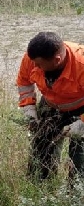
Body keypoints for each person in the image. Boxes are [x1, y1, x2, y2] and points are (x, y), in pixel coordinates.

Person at [17, 31, 84, 181]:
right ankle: (41, 186)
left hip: (81, 108)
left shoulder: (81, 64)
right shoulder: (32, 57)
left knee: (80, 159)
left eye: (39, 64)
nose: (34, 66)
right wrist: (29, 109)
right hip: (50, 105)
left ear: (57, 59)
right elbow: (24, 82)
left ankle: (74, 195)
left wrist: (82, 123)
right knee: (41, 153)